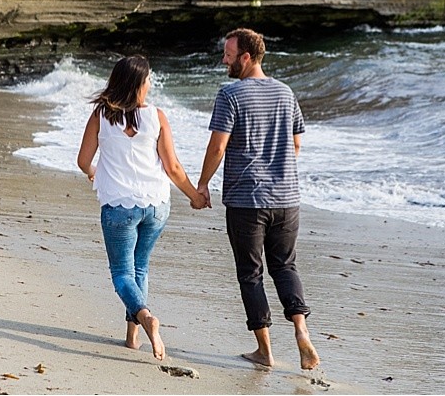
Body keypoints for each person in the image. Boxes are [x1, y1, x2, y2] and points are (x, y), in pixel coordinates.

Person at [197, 28, 320, 371]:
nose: (224, 59)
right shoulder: (285, 92)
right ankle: (301, 329)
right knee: (285, 266)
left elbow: (219, 145)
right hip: (287, 199)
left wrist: (203, 184)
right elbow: (295, 145)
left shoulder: (230, 94)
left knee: (250, 273)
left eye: (228, 54)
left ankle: (265, 351)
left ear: (246, 57)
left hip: (246, 200)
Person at [77, 55, 209, 361]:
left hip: (118, 206)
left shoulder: (101, 115)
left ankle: (146, 317)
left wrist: (93, 171)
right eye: (148, 79)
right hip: (156, 205)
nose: (150, 83)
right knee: (141, 267)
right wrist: (194, 195)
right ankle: (132, 337)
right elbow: (172, 166)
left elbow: (83, 160)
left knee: (122, 273)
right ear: (138, 84)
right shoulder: (157, 116)